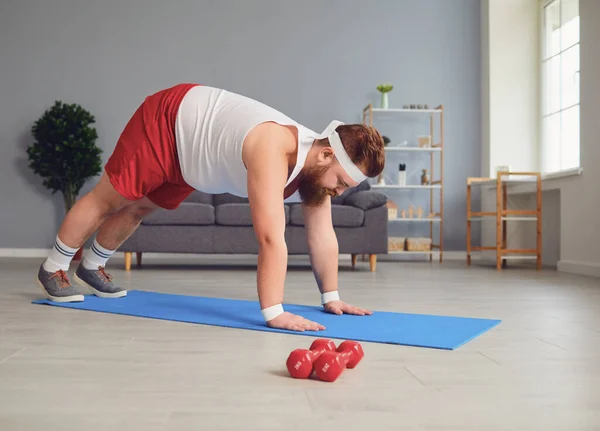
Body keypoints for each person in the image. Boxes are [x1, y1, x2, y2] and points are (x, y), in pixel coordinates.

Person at [36, 83, 385, 332]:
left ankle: (92, 267)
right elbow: (269, 238)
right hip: (169, 121)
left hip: (194, 157)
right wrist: (274, 312)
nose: (338, 192)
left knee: (141, 208)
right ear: (326, 154)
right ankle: (53, 268)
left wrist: (331, 297)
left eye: (345, 187)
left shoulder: (317, 173)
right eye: (340, 181)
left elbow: (322, 236)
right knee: (109, 199)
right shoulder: (273, 147)